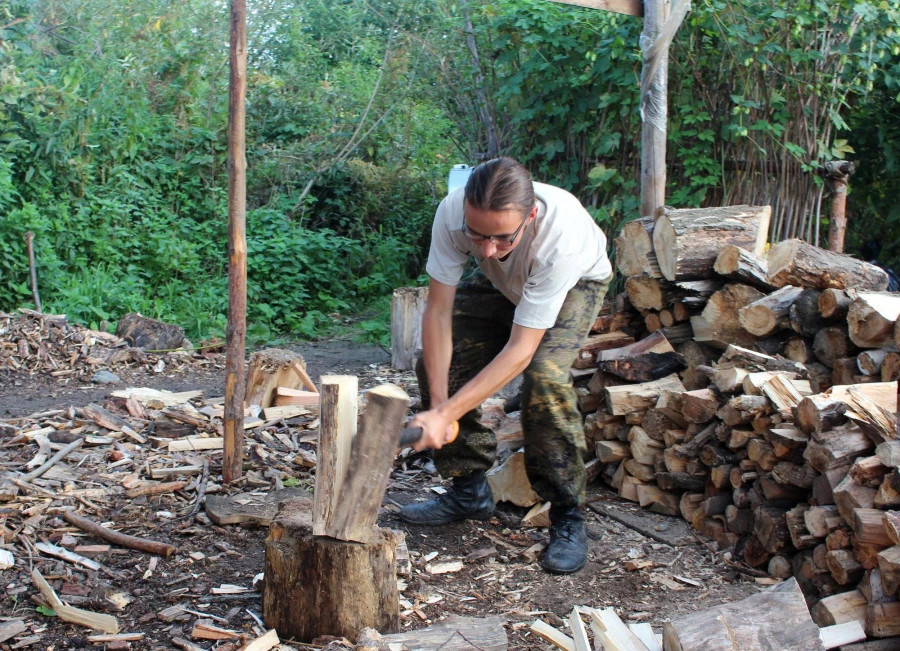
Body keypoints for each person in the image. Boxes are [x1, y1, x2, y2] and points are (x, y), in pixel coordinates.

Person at [399, 157, 613, 575]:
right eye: (475, 235)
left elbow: (520, 350)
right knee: (435, 364)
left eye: (499, 237)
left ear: (529, 216)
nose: (485, 249)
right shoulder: (452, 213)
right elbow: (439, 312)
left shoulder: (560, 239)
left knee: (545, 379)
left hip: (575, 283)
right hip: (502, 282)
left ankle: (568, 515)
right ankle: (468, 491)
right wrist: (441, 406)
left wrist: (445, 413)